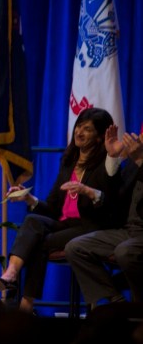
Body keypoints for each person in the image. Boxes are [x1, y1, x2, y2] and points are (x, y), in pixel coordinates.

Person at [0, 107, 121, 313]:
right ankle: (11, 274)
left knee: (41, 242)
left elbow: (110, 200)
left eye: (87, 129)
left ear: (98, 137)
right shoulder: (68, 162)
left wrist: (87, 190)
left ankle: (24, 304)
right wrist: (28, 198)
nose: (79, 132)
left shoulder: (108, 164)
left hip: (91, 227)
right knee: (33, 220)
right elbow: (52, 208)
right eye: (78, 127)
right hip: (65, 225)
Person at [65, 125, 143, 307]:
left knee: (125, 251)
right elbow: (115, 196)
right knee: (75, 247)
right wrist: (113, 158)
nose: (139, 137)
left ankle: (139, 308)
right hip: (128, 230)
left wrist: (140, 161)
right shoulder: (134, 159)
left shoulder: (138, 158)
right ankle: (114, 301)